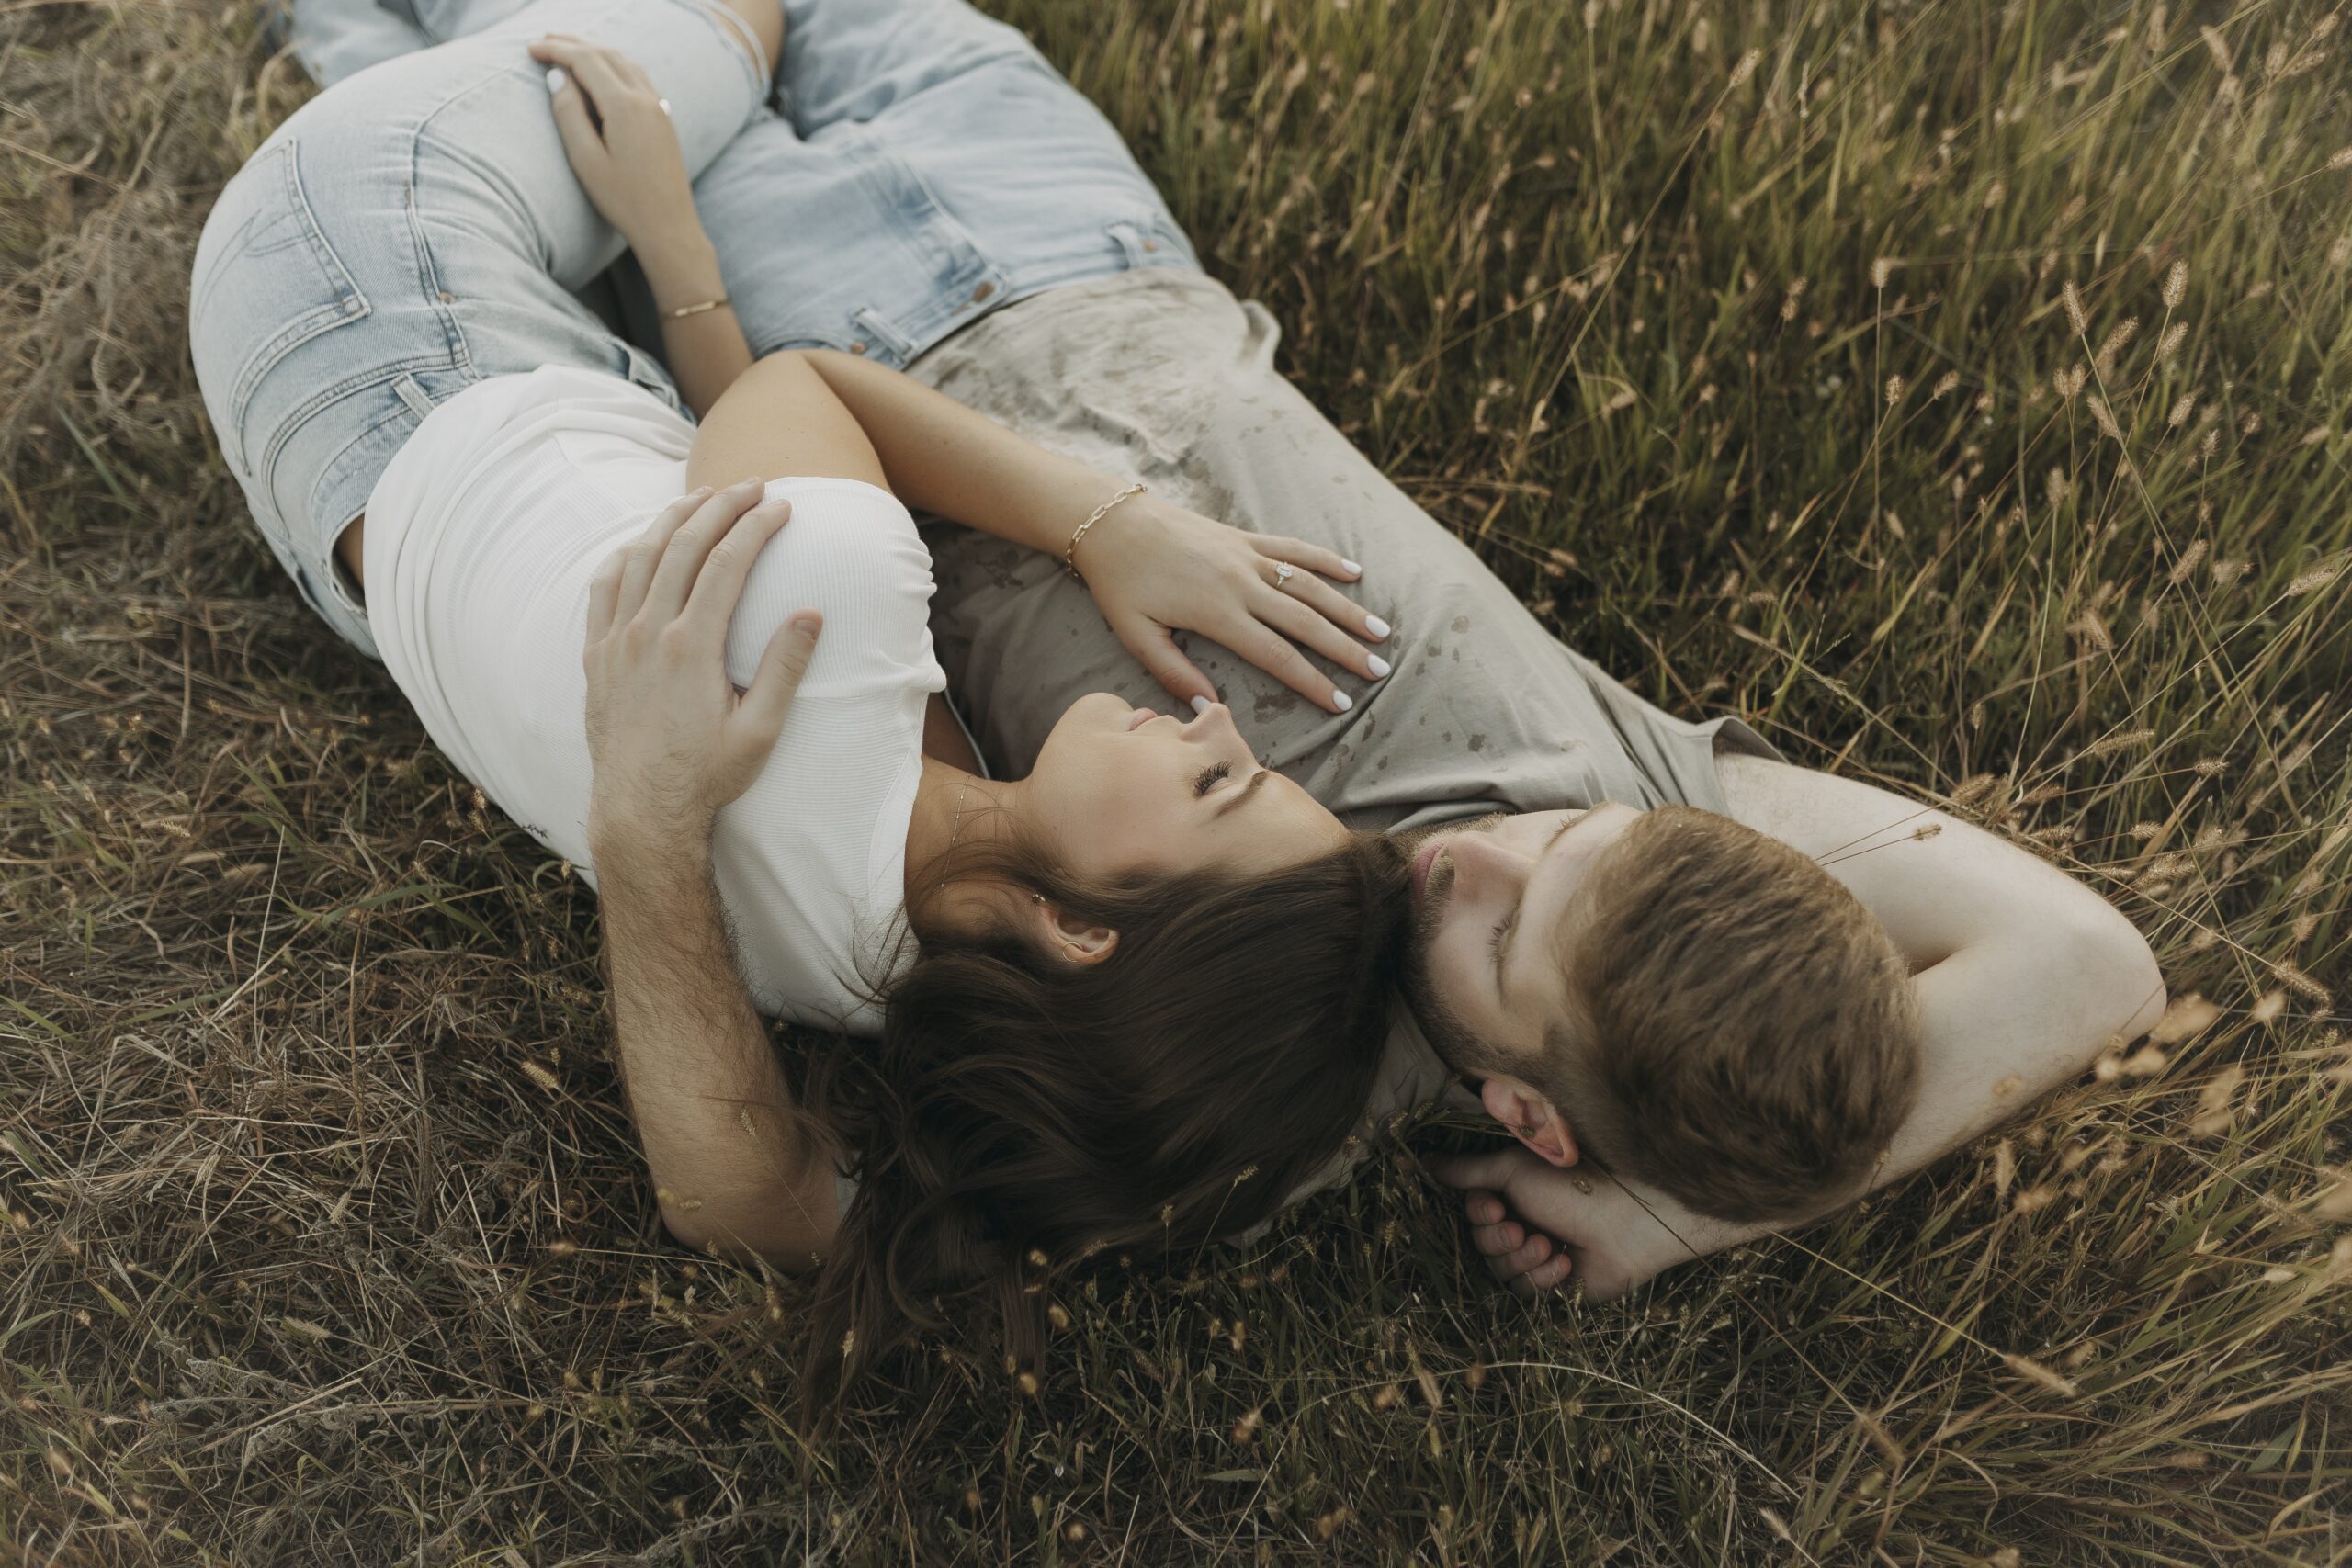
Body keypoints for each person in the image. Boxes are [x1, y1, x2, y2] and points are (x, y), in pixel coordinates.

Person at [251, 0, 2168, 1310]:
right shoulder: (1673, 826)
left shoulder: (1253, 1063)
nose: (1480, 846)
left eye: (1507, 925)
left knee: (447, 60)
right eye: (1567, 839)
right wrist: (1673, 1208)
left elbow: (787, 1204)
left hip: (813, 347)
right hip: (1069, 222)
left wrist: (1646, 1191)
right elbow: (2088, 962)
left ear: (1518, 1111)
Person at [189, 0, 1419, 1410]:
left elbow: (800, 383)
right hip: (347, 501)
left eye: (1223, 786)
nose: (1215, 724)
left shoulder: (818, 643)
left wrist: (1107, 523)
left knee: (738, 31)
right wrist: (650, 833)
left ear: (1085, 933)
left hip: (367, 276)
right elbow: (743, 1204)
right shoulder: (885, 971)